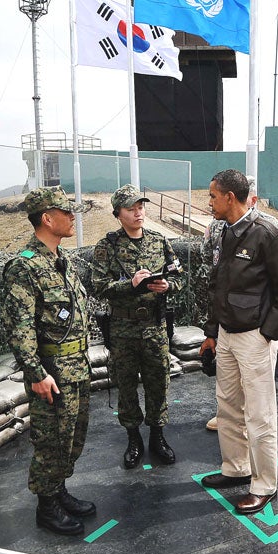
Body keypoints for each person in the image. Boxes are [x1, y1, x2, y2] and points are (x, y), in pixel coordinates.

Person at [198, 169, 278, 515]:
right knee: (227, 406)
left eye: (213, 196)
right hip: (227, 335)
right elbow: (219, 286)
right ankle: (236, 468)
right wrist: (212, 333)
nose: (209, 201)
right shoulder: (224, 231)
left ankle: (263, 485)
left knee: (259, 415)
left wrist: (267, 333)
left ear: (230, 197)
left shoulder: (268, 233)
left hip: (254, 337)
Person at [3, 186, 94, 537]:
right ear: (47, 218)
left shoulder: (61, 261)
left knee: (72, 438)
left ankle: (58, 491)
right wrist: (36, 373)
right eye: (66, 212)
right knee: (51, 440)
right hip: (51, 374)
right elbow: (19, 327)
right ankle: (46, 507)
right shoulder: (24, 267)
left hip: (77, 367)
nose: (73, 217)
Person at [91, 184, 183, 469]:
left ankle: (158, 435)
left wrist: (168, 285)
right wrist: (129, 285)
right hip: (123, 329)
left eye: (141, 207)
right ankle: (133, 438)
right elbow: (98, 287)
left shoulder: (160, 241)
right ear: (118, 213)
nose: (138, 213)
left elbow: (179, 278)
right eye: (131, 209)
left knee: (159, 382)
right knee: (127, 386)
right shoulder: (106, 247)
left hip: (155, 327)